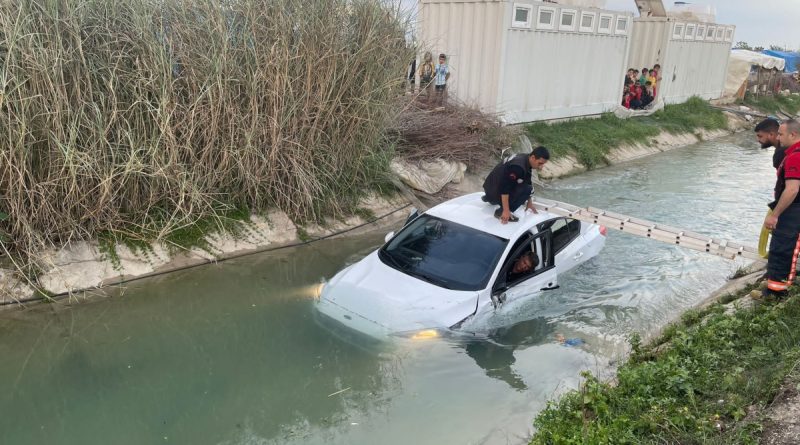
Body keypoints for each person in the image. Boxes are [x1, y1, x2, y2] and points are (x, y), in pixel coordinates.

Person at [756, 119, 800, 300]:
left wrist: (775, 215)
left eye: (781, 134)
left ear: (793, 135)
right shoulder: (791, 153)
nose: (778, 138)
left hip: (794, 209)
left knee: (781, 248)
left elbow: (792, 189)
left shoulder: (795, 156)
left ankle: (775, 293)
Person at [482, 146, 550, 224]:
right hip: (495, 191)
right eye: (540, 163)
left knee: (527, 187)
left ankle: (491, 199)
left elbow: (527, 180)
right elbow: (504, 188)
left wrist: (529, 202)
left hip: (491, 187)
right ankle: (501, 212)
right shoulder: (518, 167)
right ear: (533, 157)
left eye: (543, 164)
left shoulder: (525, 158)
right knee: (527, 189)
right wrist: (506, 210)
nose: (541, 167)